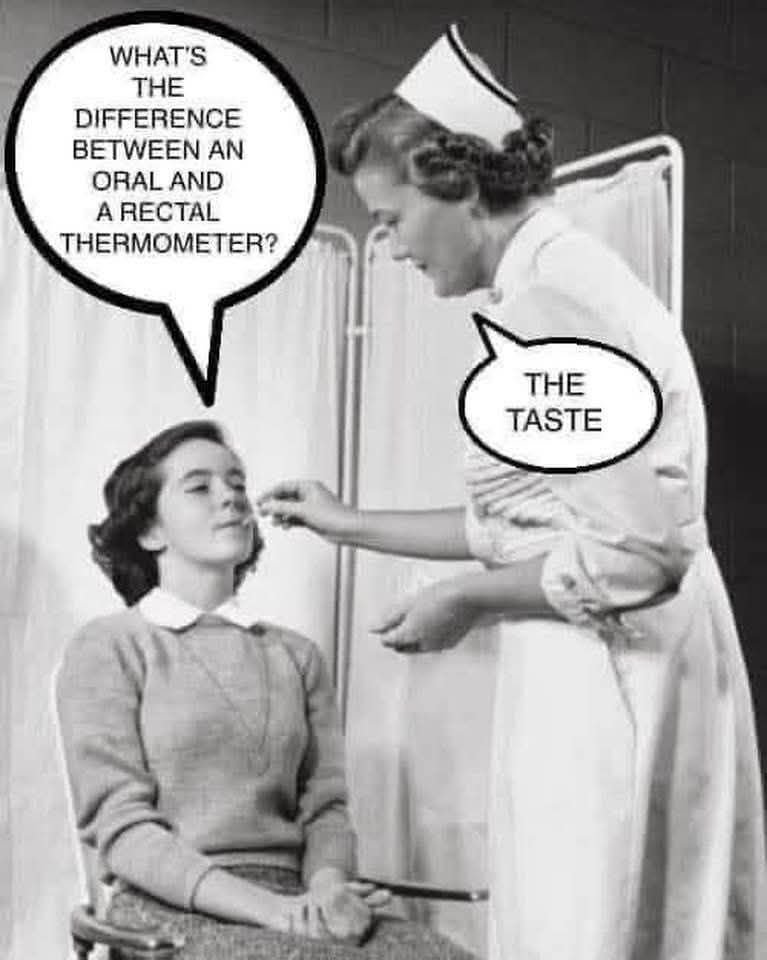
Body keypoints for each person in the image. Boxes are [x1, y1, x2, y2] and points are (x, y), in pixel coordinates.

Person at [257, 25, 766, 960]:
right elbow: (528, 527)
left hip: (617, 665)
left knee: (590, 924)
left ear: (457, 186)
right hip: (597, 650)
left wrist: (463, 603)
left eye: (392, 217)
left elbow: (637, 553)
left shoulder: (550, 306)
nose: (389, 247)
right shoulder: (546, 286)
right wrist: (345, 521)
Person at [55, 420, 477, 960]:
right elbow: (122, 830)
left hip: (298, 899)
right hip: (168, 907)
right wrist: (274, 912)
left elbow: (325, 808)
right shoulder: (109, 646)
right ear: (149, 532)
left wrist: (327, 888)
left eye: (237, 483)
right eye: (200, 487)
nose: (230, 496)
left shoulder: (296, 655)